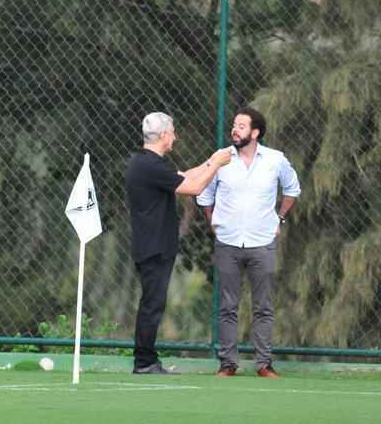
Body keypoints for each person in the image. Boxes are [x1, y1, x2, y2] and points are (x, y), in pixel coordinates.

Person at [125, 112, 232, 375]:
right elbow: (194, 188)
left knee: (153, 302)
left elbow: (185, 176)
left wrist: (212, 160)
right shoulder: (149, 166)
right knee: (152, 304)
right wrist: (216, 165)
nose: (176, 136)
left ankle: (147, 360)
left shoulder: (148, 164)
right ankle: (145, 362)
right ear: (163, 135)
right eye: (173, 131)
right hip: (153, 246)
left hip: (154, 244)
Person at [198, 107, 300, 379]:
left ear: (255, 133)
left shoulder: (275, 160)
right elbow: (204, 194)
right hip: (228, 242)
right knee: (227, 306)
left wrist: (279, 219)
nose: (235, 129)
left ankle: (264, 364)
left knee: (263, 306)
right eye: (234, 125)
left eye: (241, 126)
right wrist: (213, 222)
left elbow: (292, 189)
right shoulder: (221, 159)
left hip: (262, 242)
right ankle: (227, 364)